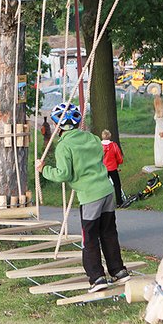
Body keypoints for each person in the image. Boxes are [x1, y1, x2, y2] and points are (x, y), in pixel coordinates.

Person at [35, 102, 130, 293]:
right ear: (79, 123)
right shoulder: (93, 139)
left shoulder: (64, 146)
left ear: (57, 126)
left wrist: (43, 169)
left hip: (90, 196)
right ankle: (118, 271)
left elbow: (63, 174)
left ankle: (97, 278)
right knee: (109, 232)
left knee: (90, 237)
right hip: (107, 190)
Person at [101, 129, 124, 206]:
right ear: (110, 136)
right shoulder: (113, 145)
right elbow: (118, 156)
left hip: (103, 168)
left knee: (103, 186)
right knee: (117, 184)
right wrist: (119, 162)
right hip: (112, 168)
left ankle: (103, 203)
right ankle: (119, 202)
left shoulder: (99, 146)